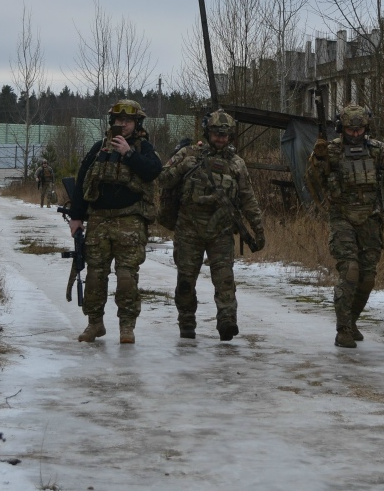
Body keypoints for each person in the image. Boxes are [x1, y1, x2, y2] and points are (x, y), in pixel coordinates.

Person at [307, 103, 384, 349]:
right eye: (350, 130)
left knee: (367, 278)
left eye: (360, 130)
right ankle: (342, 329)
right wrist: (317, 160)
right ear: (341, 128)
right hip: (342, 217)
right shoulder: (331, 151)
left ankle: (352, 320)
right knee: (350, 271)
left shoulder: (378, 151)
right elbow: (313, 183)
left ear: (366, 128)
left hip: (371, 219)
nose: (355, 134)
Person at [159, 109, 265, 342]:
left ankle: (227, 321)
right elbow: (164, 178)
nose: (221, 139)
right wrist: (183, 166)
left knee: (225, 279)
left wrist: (258, 229)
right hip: (189, 230)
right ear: (208, 132)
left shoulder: (236, 164)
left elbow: (248, 199)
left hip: (222, 232)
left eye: (225, 135)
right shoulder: (189, 154)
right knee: (186, 281)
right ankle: (186, 321)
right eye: (217, 134)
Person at [69, 100, 162, 344]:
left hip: (129, 220)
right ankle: (95, 323)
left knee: (126, 277)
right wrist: (76, 217)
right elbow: (82, 182)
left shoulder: (143, 149)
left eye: (128, 121)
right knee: (95, 276)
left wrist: (128, 155)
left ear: (136, 123)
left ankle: (127, 326)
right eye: (119, 121)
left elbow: (154, 171)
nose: (123, 125)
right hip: (99, 221)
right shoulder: (99, 148)